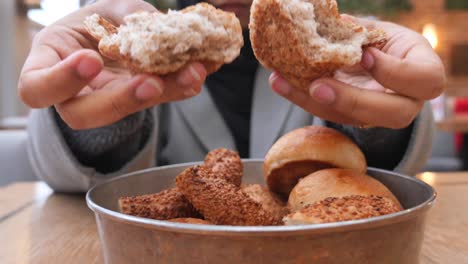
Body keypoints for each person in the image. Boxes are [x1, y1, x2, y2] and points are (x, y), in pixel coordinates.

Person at [18, 0, 445, 192]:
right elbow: (65, 179)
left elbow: (396, 171)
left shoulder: (348, 45)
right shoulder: (122, 37)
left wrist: (368, 119)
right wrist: (109, 116)